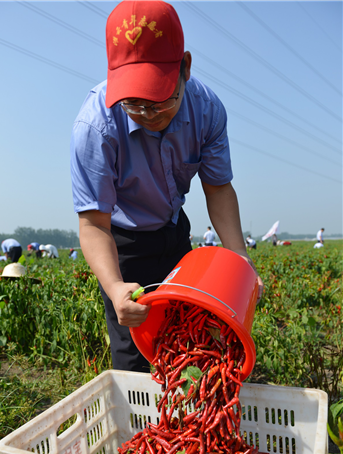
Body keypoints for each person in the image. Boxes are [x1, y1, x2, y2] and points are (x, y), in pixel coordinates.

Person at [70, 0, 263, 373]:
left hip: (175, 234)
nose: (148, 114)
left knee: (193, 345)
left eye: (159, 101)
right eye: (134, 104)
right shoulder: (94, 127)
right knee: (135, 360)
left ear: (185, 68)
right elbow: (94, 223)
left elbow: (218, 189)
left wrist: (239, 257)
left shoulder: (206, 111)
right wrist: (114, 287)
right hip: (122, 245)